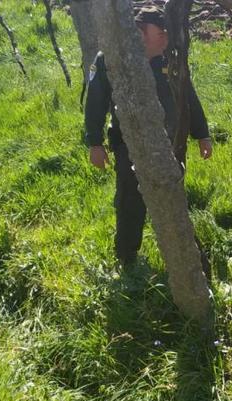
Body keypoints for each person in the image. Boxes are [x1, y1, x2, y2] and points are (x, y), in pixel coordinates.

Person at [84, 5, 212, 266]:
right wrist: (95, 143)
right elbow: (95, 102)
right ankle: (127, 256)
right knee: (131, 201)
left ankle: (185, 255)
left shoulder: (171, 59)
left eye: (163, 32)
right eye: (158, 32)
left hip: (170, 144)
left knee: (173, 197)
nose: (165, 38)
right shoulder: (111, 58)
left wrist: (202, 134)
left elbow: (188, 95)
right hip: (128, 145)